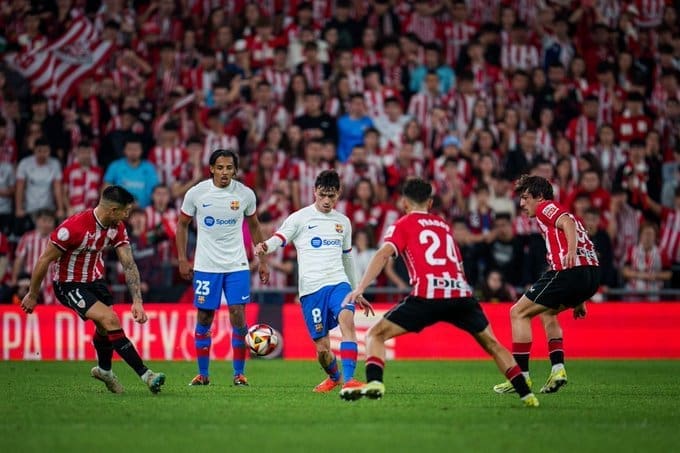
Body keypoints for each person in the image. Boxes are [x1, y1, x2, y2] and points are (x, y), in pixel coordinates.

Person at [340, 177, 538, 407]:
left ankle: (375, 383)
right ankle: (527, 395)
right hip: (460, 295)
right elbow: (459, 265)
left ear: (405, 203)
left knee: (376, 335)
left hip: (427, 295)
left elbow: (383, 254)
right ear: (430, 202)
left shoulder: (403, 224)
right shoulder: (444, 226)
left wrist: (361, 287)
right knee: (493, 345)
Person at [19, 186, 166, 394]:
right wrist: (33, 294)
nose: (127, 216)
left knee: (105, 328)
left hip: (96, 281)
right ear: (113, 210)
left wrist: (137, 301)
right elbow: (45, 259)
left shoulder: (117, 227)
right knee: (111, 319)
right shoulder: (73, 228)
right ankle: (147, 375)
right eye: (125, 211)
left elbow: (129, 264)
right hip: (68, 284)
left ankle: (104, 371)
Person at [254, 170, 374, 393]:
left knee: (347, 320)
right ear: (314, 192)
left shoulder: (343, 223)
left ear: (338, 194)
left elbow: (347, 258)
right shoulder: (299, 218)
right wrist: (265, 246)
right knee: (322, 349)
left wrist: (357, 289)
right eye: (322, 195)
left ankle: (350, 380)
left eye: (331, 196)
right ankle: (335, 377)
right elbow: (280, 238)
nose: (327, 200)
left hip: (338, 282)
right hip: (311, 290)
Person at [493, 175, 600, 395]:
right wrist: (580, 298)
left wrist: (570, 252)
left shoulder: (545, 207)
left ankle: (520, 378)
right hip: (590, 275)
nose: (522, 204)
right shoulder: (566, 215)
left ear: (539, 197)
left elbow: (567, 223)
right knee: (547, 312)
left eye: (525, 198)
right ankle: (558, 369)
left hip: (568, 271)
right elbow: (575, 230)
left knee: (518, 312)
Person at [176, 149, 270, 386]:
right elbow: (182, 225)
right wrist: (182, 259)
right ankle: (203, 374)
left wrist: (263, 260)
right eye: (220, 167)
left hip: (237, 264)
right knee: (205, 316)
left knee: (238, 315)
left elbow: (256, 227)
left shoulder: (246, 194)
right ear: (211, 169)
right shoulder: (197, 193)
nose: (224, 172)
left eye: (229, 167)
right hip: (206, 265)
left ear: (235, 170)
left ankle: (239, 374)